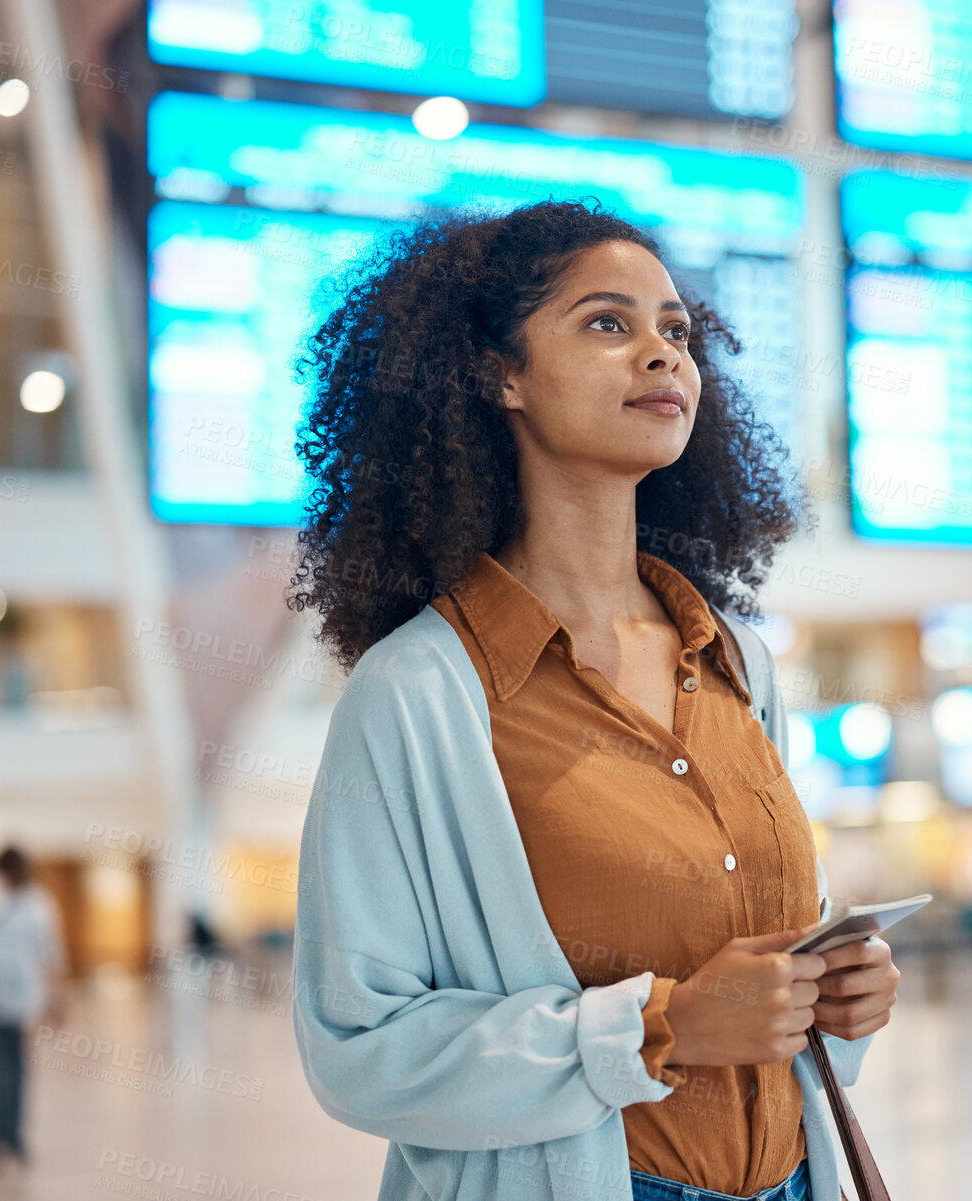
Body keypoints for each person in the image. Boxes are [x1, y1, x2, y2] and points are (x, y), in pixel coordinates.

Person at [285, 198, 900, 1201]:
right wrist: (662, 1029)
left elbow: (752, 959)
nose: (661, 354)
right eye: (607, 324)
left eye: (675, 330)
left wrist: (831, 991)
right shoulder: (422, 693)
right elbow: (360, 1047)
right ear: (502, 374)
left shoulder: (737, 660)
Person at [0, 845, 66, 1172]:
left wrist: (56, 997)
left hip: (22, 1002)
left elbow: (50, 951)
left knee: (16, 1069)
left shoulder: (39, 903)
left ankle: (13, 1134)